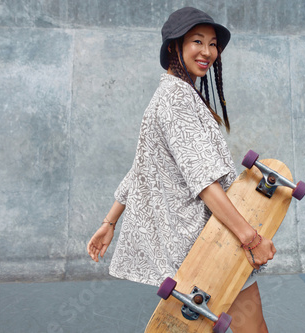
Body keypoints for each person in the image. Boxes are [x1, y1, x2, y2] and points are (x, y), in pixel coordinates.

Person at [86, 7, 275, 333]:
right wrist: (250, 238)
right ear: (175, 46)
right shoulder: (176, 100)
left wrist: (109, 221)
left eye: (213, 43)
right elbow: (203, 182)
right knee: (253, 329)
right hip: (209, 243)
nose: (207, 52)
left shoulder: (171, 96)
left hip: (198, 242)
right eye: (197, 41)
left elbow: (141, 167)